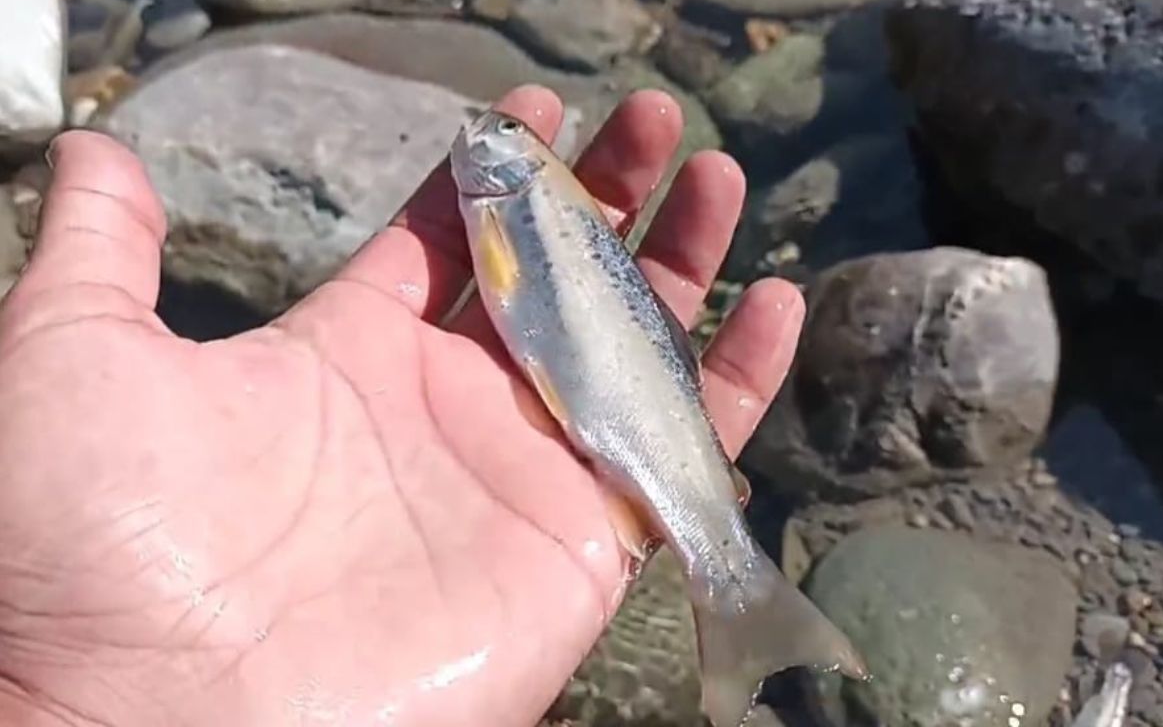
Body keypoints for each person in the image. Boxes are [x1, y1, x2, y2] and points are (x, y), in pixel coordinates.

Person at [0, 85, 806, 726]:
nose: (483, 132)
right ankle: (746, 601)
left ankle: (741, 592)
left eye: (502, 134)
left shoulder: (509, 203)